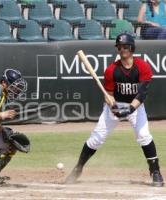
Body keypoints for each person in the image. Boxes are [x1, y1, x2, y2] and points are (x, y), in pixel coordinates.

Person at [65, 33, 164, 187]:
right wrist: (113, 106)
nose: (122, 49)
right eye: (119, 47)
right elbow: (108, 95)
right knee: (97, 138)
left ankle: (155, 171)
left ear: (132, 48)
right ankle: (78, 167)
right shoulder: (111, 69)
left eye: (125, 46)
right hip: (115, 105)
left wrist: (130, 109)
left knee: (144, 136)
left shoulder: (142, 66)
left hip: (135, 105)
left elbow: (142, 93)